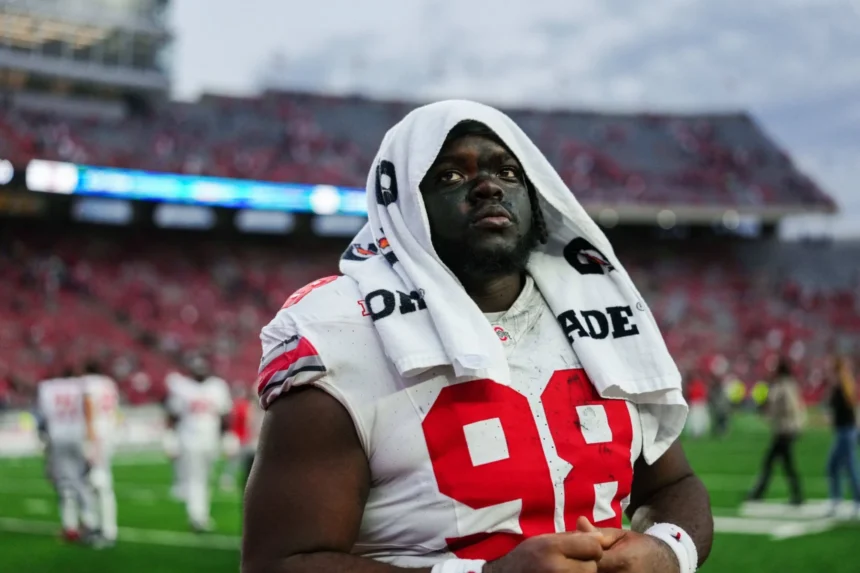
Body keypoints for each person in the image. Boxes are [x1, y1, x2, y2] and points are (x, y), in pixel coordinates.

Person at [243, 102, 713, 573]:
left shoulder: (597, 318)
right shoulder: (341, 328)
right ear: (404, 205)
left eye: (508, 172)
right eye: (449, 176)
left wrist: (669, 550)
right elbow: (278, 563)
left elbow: (673, 486)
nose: (489, 186)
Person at [164, 356, 235, 532]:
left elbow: (224, 415)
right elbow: (173, 415)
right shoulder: (182, 387)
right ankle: (197, 516)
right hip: (189, 439)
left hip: (210, 440)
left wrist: (227, 437)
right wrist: (170, 438)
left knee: (206, 477)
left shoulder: (217, 386)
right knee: (196, 478)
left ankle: (200, 513)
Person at [36, 370, 98, 542]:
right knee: (82, 481)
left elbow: (43, 418)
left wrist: (44, 444)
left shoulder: (47, 388)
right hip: (78, 436)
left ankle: (70, 525)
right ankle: (88, 521)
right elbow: (88, 409)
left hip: (57, 437)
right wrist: (91, 438)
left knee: (64, 483)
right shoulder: (79, 386)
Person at [747, 358, 805, 505]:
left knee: (773, 462)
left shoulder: (784, 386)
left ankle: (759, 493)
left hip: (784, 430)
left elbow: (788, 407)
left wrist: (770, 410)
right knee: (782, 463)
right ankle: (795, 494)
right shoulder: (788, 384)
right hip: (785, 429)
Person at [80, 360, 121, 547]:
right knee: (98, 480)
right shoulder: (108, 383)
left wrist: (89, 438)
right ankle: (99, 526)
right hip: (109, 432)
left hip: (96, 434)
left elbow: (88, 408)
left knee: (99, 481)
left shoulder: (88, 384)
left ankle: (104, 528)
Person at [825, 356, 860, 518]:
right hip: (846, 431)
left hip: (845, 432)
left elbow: (836, 407)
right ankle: (840, 500)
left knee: (843, 467)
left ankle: (843, 500)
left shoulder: (842, 385)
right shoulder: (844, 384)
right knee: (844, 467)